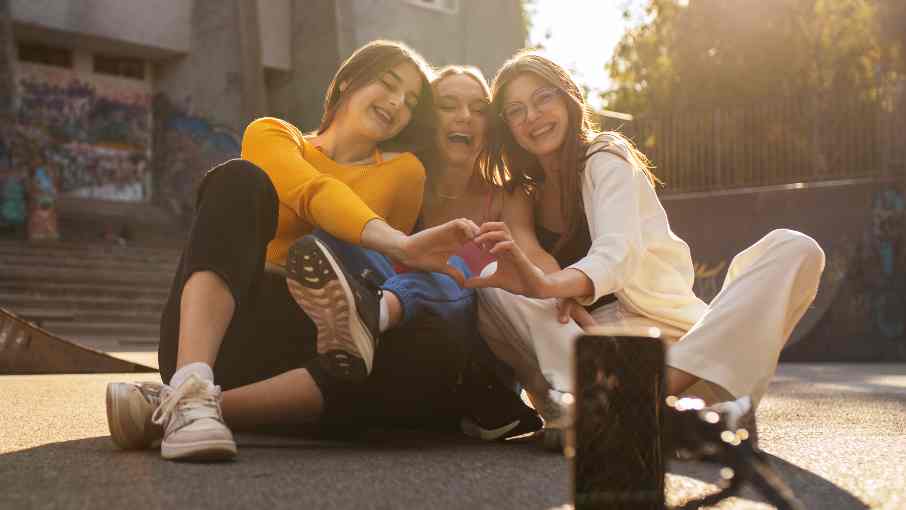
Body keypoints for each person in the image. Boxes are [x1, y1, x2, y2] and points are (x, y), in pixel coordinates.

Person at [105, 40, 482, 461]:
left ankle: (183, 408)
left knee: (437, 289)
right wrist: (403, 244)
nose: (397, 103)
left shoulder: (404, 172)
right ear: (346, 83)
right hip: (225, 331)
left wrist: (408, 256)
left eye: (411, 101)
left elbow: (368, 265)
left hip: (317, 345)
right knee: (240, 180)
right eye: (388, 84)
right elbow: (313, 192)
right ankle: (191, 382)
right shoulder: (272, 134)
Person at [466, 51, 826, 440]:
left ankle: (643, 401)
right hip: (589, 351)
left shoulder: (605, 154)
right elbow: (530, 261)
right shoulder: (521, 191)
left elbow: (616, 254)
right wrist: (553, 291)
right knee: (493, 283)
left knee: (795, 248)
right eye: (516, 110)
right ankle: (606, 408)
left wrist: (549, 286)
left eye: (543, 98)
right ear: (507, 126)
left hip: (675, 348)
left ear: (568, 97)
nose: (532, 116)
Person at [287, 65, 540, 440]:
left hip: (470, 349)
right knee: (339, 235)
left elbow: (533, 258)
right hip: (401, 341)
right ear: (426, 121)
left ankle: (373, 314)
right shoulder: (402, 181)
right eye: (448, 105)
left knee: (453, 274)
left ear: (490, 124)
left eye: (478, 108)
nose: (465, 117)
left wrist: (571, 293)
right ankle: (370, 319)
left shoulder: (508, 195)